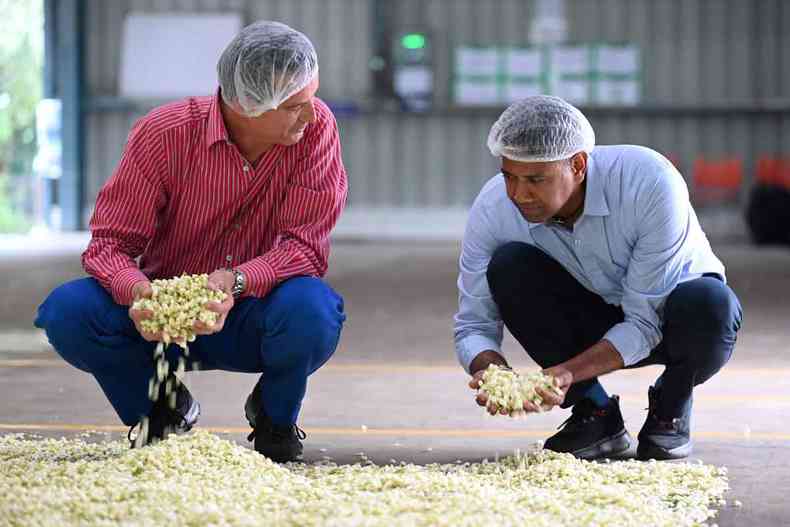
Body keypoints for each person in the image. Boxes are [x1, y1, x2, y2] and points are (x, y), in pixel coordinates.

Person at [34, 21, 347, 463]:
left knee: (312, 310)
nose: (312, 114)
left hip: (251, 316)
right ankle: (161, 408)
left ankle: (275, 417)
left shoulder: (315, 132)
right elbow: (108, 245)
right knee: (67, 312)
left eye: (311, 97)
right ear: (247, 104)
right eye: (295, 105)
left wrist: (237, 281)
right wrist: (140, 293)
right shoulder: (164, 134)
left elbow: (305, 247)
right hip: (160, 319)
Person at [455, 95, 742, 460]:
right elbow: (472, 325)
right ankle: (595, 414)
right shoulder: (494, 208)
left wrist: (561, 374)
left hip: (669, 316)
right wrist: (493, 372)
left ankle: (671, 403)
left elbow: (643, 323)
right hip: (594, 314)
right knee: (509, 265)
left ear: (577, 165)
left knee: (711, 306)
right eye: (508, 176)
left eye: (536, 179)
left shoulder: (648, 182)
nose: (518, 194)